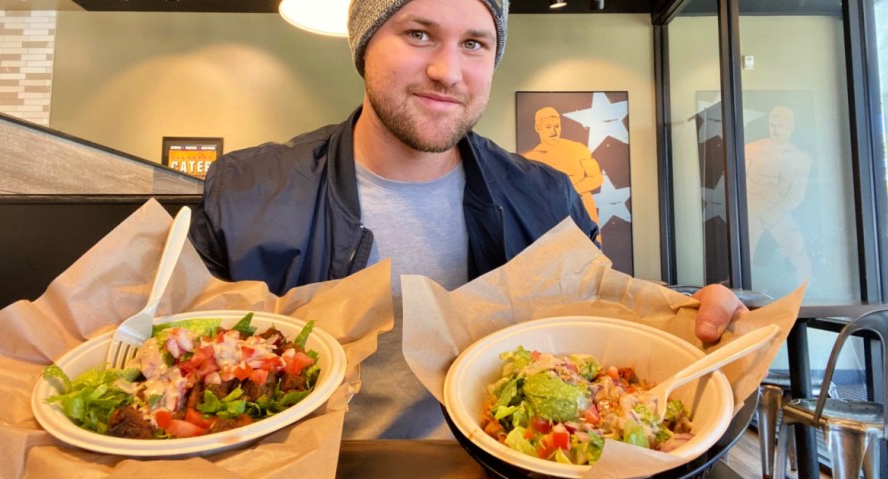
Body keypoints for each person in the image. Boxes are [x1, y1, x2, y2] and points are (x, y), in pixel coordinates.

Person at [188, 0, 746, 439]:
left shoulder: (547, 198)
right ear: (363, 46)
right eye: (418, 33)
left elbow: (604, 324)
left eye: (474, 43)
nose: (446, 71)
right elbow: (174, 361)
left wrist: (690, 314)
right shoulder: (245, 193)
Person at [745, 105, 812, 282]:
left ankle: (805, 288)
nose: (775, 130)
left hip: (777, 211)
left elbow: (798, 193)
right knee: (742, 251)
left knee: (798, 251)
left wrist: (777, 211)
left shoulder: (801, 158)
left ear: (791, 127)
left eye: (781, 126)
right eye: (772, 125)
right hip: (752, 210)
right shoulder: (751, 149)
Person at [523, 106, 604, 226]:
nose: (554, 132)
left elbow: (597, 178)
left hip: (583, 211)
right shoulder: (530, 158)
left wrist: (571, 191)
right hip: (550, 214)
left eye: (557, 126)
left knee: (588, 244)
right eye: (548, 127)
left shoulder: (578, 149)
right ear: (537, 128)